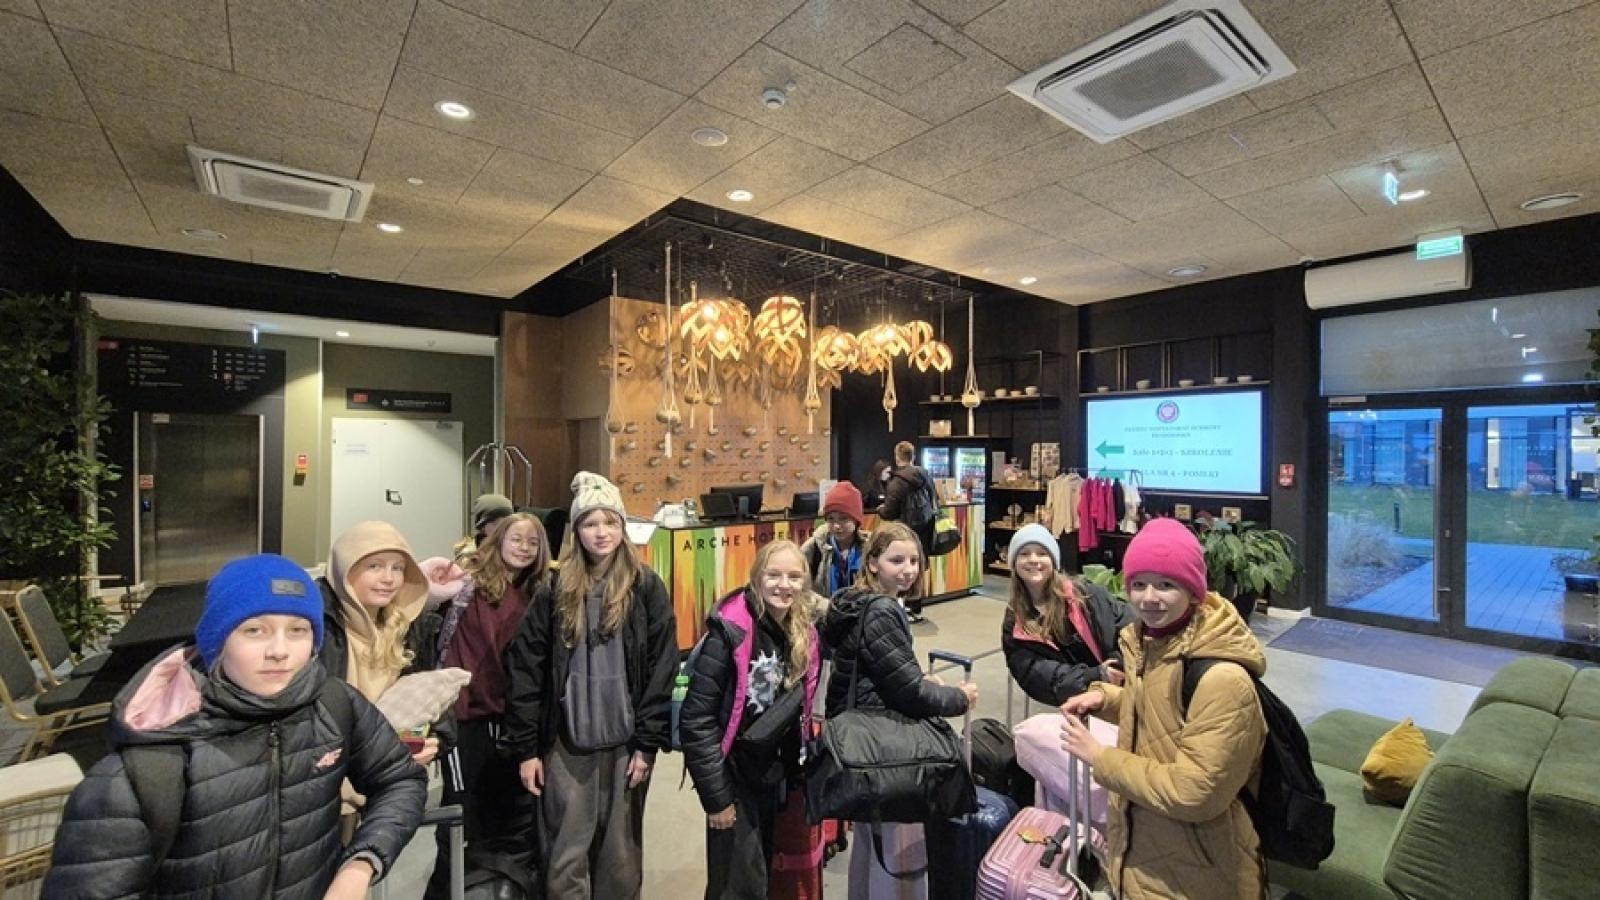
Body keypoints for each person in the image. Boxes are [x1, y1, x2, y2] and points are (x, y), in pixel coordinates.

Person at [43, 554, 428, 899]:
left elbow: (400, 779)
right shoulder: (147, 762)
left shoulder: (333, 704)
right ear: (217, 640)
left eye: (298, 630)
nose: (279, 650)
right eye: (254, 630)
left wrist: (360, 865)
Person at [1060, 518, 1268, 900]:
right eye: (1138, 584)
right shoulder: (1153, 645)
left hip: (1198, 871)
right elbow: (1164, 714)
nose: (1148, 598)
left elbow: (1196, 792)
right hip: (1146, 849)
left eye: (1166, 584)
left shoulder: (1222, 678)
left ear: (1193, 591)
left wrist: (1100, 758)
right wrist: (1108, 699)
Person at [502, 471, 678, 900]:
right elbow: (526, 671)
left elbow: (662, 669)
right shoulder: (554, 589)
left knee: (620, 855)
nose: (601, 533)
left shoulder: (646, 587)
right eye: (590, 523)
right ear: (577, 530)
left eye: (610, 522)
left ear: (622, 528)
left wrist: (647, 743)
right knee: (566, 852)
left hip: (625, 743)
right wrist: (527, 749)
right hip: (565, 744)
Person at [819, 522, 978, 900]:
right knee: (899, 842)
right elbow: (907, 692)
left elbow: (888, 671)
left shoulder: (857, 603)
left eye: (913, 560)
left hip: (865, 738)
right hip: (889, 746)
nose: (907, 569)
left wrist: (919, 678)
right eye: (896, 560)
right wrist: (959, 698)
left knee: (872, 845)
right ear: (873, 563)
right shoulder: (883, 610)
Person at [680, 539, 822, 899]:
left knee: (759, 876)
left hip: (771, 777)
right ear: (757, 577)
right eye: (773, 575)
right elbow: (697, 720)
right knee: (736, 887)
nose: (783, 585)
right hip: (733, 780)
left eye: (793, 576)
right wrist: (717, 798)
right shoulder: (730, 634)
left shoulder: (801, 631)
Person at [425, 512, 553, 900]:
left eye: (532, 542)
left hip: (511, 718)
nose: (524, 548)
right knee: (460, 816)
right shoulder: (467, 584)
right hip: (464, 719)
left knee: (510, 817)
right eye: (516, 539)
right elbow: (418, 606)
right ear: (498, 539)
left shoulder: (539, 593)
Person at [318, 521, 445, 766]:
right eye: (374, 566)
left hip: (389, 778)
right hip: (331, 783)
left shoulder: (408, 628)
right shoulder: (317, 628)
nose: (388, 578)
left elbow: (426, 695)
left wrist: (434, 738)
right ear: (345, 569)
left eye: (397, 568)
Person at [1000, 523, 1133, 706]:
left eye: (1042, 553)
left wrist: (1117, 664)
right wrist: (1096, 676)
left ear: (1054, 560)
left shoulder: (1085, 594)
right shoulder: (1016, 622)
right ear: (1014, 563)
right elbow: (1036, 675)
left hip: (1125, 690)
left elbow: (1129, 625)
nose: (1033, 559)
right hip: (1079, 704)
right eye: (1024, 554)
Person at [878, 442, 936, 623]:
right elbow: (935, 499)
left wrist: (880, 508)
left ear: (897, 457)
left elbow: (889, 512)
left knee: (901, 568)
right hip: (926, 528)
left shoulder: (897, 482)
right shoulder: (925, 475)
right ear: (913, 456)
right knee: (916, 568)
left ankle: (903, 607)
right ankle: (916, 608)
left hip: (905, 531)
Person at [801, 481, 871, 600]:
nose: (836, 526)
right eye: (831, 519)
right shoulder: (814, 547)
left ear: (856, 519)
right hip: (824, 614)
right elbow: (802, 588)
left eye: (843, 519)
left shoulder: (870, 547)